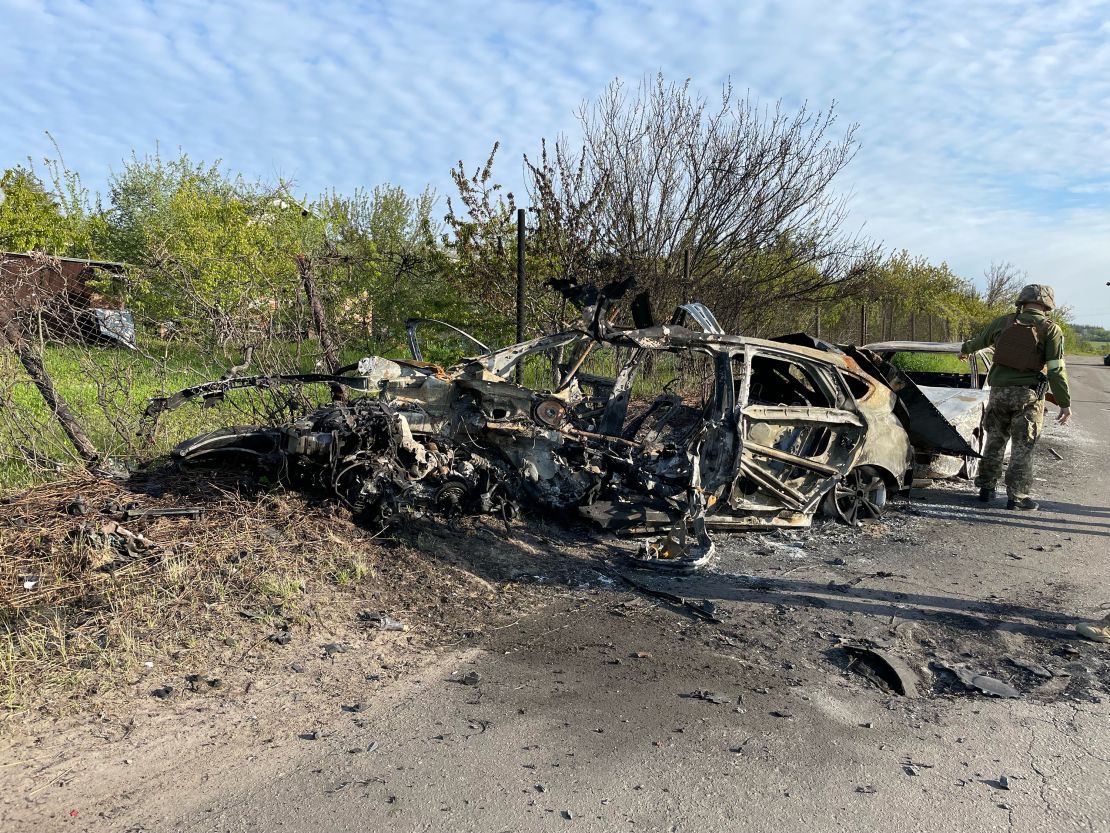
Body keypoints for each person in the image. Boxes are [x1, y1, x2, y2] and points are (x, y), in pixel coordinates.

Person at [958, 283, 1072, 511]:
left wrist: (965, 349)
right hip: (1027, 397)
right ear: (1047, 304)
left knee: (994, 440)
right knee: (1023, 446)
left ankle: (986, 489)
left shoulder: (1004, 322)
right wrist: (1064, 402)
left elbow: (980, 341)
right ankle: (1017, 497)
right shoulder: (1050, 329)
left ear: (1022, 301)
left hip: (998, 393)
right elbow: (1056, 369)